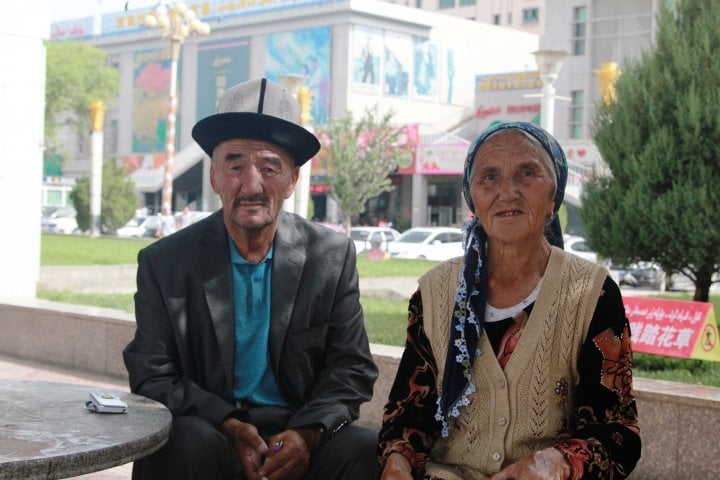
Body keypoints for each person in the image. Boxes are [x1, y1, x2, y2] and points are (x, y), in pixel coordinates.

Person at [124, 78, 379, 480]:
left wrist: (307, 435)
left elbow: (350, 369)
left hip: (299, 436)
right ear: (214, 177)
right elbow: (152, 373)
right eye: (236, 165)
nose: (252, 185)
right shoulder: (165, 262)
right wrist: (229, 424)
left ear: (292, 180)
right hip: (213, 432)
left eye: (270, 167)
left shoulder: (330, 256)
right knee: (180, 440)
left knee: (365, 450)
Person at [378, 122, 640, 480]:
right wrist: (397, 461)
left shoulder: (594, 294)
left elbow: (619, 432)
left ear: (554, 196)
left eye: (527, 173)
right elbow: (406, 417)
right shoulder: (435, 294)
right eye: (489, 177)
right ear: (472, 198)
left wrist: (557, 463)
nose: (507, 192)